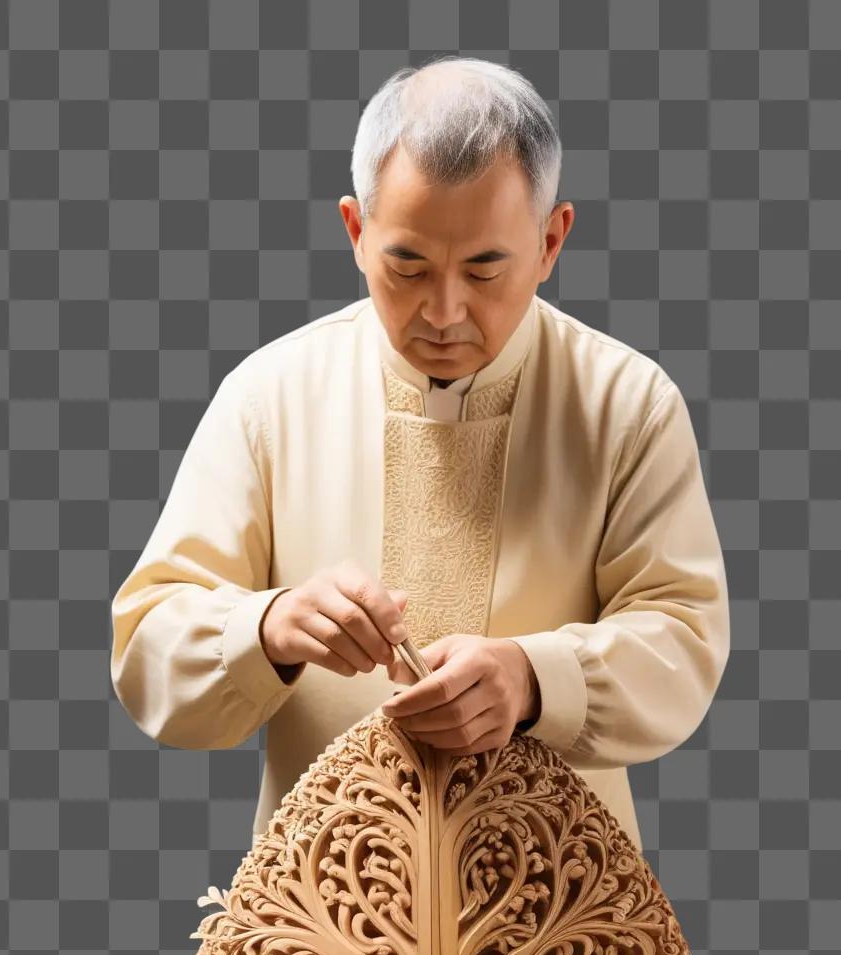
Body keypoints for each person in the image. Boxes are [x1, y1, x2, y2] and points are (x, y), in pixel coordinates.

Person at [109, 56, 730, 855]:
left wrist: (533, 678)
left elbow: (684, 640)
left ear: (550, 241)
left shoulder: (627, 403)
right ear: (356, 233)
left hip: (567, 914)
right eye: (407, 266)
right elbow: (149, 643)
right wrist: (269, 624)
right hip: (321, 907)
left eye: (484, 268)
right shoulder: (269, 394)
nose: (443, 310)